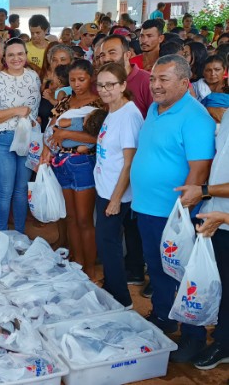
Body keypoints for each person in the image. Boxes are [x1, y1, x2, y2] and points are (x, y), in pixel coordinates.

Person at [130, 54, 216, 362]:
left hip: (175, 214)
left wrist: (181, 215)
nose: (155, 85)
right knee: (158, 269)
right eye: (153, 79)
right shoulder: (154, 109)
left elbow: (200, 170)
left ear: (184, 83)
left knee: (183, 275)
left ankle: (193, 336)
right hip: (147, 208)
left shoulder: (196, 118)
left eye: (163, 79)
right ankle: (163, 317)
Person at [41, 59, 105, 281]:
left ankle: (90, 268)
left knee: (84, 219)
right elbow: (52, 127)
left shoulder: (98, 104)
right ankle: (77, 262)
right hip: (62, 162)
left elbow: (97, 137)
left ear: (91, 78)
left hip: (83, 163)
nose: (77, 84)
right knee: (70, 217)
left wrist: (66, 135)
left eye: (82, 79)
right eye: (72, 80)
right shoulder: (66, 100)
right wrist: (46, 150)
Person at [175, 110, 228, 370]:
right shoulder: (227, 115)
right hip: (218, 213)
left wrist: (204, 190)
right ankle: (222, 339)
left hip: (223, 214)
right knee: (222, 283)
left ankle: (223, 343)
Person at [92, 62, 144, 308]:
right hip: (106, 188)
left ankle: (122, 300)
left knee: (108, 244)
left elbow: (129, 163)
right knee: (107, 242)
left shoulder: (129, 115)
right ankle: (112, 287)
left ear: (123, 85)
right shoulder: (113, 110)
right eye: (100, 85)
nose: (104, 90)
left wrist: (115, 199)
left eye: (110, 85)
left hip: (116, 193)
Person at [0, 38, 40, 233]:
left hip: (26, 138)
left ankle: (19, 234)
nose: (16, 58)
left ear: (25, 55)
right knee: (5, 190)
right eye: (11, 55)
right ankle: (1, 234)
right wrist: (16, 110)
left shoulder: (33, 77)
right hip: (1, 139)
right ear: (4, 57)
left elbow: (34, 109)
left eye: (20, 54)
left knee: (21, 190)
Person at [194, 55, 229, 123]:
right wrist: (210, 109)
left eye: (217, 70)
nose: (213, 74)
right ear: (203, 72)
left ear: (224, 70)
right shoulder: (195, 87)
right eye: (208, 70)